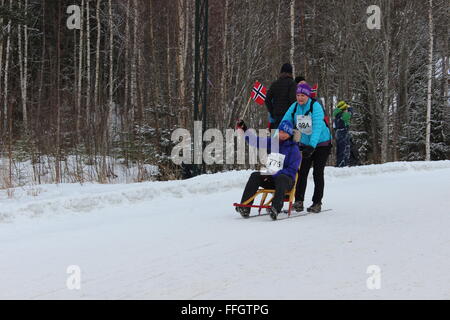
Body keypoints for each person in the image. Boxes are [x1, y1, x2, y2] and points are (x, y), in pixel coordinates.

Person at [279, 83, 332, 213]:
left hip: (321, 143)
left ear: (308, 95)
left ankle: (317, 202)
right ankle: (299, 201)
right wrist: (276, 140)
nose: (300, 98)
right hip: (304, 143)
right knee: (302, 173)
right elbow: (284, 122)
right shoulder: (294, 107)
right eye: (298, 95)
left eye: (303, 95)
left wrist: (312, 146)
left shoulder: (316, 106)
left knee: (317, 173)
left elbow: (317, 128)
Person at [235, 120, 301, 220]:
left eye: (285, 133)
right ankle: (245, 207)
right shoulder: (273, 142)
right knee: (255, 175)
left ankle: (275, 208)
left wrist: (275, 173)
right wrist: (245, 129)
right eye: (281, 132)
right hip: (271, 178)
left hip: (286, 181)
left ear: (290, 134)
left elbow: (292, 170)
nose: (282, 135)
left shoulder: (294, 149)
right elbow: (255, 141)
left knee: (281, 178)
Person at [265, 63, 297, 130]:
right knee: (287, 138)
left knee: (277, 138)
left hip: (277, 116)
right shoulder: (292, 84)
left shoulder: (275, 84)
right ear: (291, 72)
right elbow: (293, 101)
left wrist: (272, 112)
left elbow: (267, 100)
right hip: (288, 116)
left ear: (281, 72)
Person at [333, 100, 353, 167]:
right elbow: (348, 116)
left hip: (339, 132)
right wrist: (350, 110)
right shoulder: (341, 114)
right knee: (343, 149)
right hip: (342, 132)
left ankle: (341, 164)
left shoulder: (337, 113)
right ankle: (342, 165)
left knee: (341, 149)